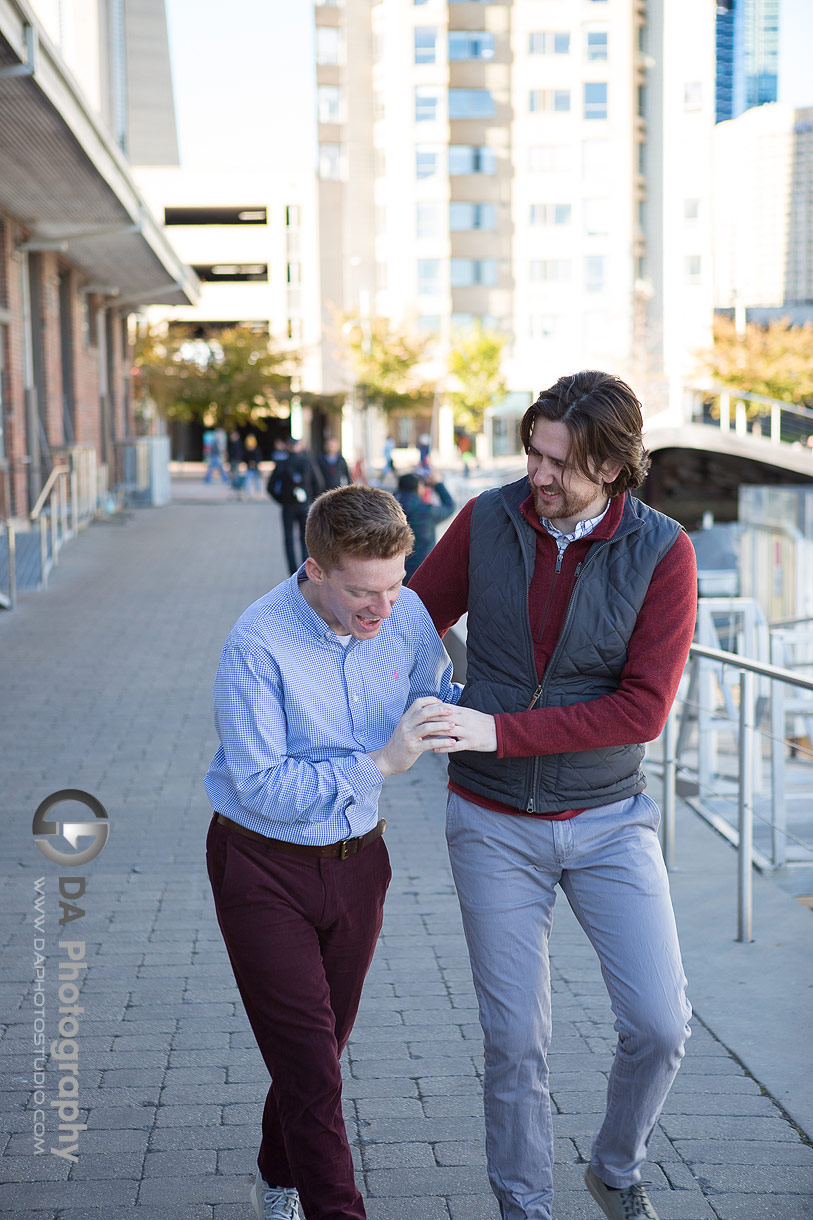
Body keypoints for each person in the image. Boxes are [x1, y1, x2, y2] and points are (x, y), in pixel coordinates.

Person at [409, 370, 698, 1220]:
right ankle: (523, 1207)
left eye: (559, 463)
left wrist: (496, 729)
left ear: (611, 467)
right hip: (491, 823)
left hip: (610, 823)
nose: (536, 474)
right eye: (532, 450)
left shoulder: (663, 551)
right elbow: (412, 616)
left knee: (659, 1025)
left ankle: (615, 1167)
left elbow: (641, 710)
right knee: (515, 1043)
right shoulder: (489, 518)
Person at [204, 485, 490, 1220]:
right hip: (262, 866)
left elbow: (437, 687)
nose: (385, 609)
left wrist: (483, 712)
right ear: (316, 569)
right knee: (310, 1068)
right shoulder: (256, 642)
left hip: (361, 865)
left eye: (396, 584)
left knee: (318, 1052)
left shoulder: (407, 613)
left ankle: (276, 1172)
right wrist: (379, 764)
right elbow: (261, 784)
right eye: (364, 593)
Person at [267, 436, 324, 574]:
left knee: (293, 539)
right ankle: (302, 570)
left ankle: (296, 571)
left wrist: (282, 500)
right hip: (299, 505)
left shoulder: (290, 463)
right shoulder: (304, 462)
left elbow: (271, 487)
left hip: (292, 506)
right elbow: (319, 484)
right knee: (301, 538)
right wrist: (310, 500)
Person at [395, 471, 455, 583]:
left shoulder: (389, 508)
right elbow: (449, 506)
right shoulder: (427, 511)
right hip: (421, 572)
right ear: (419, 488)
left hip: (394, 573)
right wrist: (438, 484)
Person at [242, 434, 263, 499]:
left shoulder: (257, 450)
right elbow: (243, 458)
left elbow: (259, 458)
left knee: (257, 481)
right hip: (249, 468)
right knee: (247, 481)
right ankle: (247, 494)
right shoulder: (246, 451)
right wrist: (248, 463)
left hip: (256, 469)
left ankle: (258, 493)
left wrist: (255, 463)